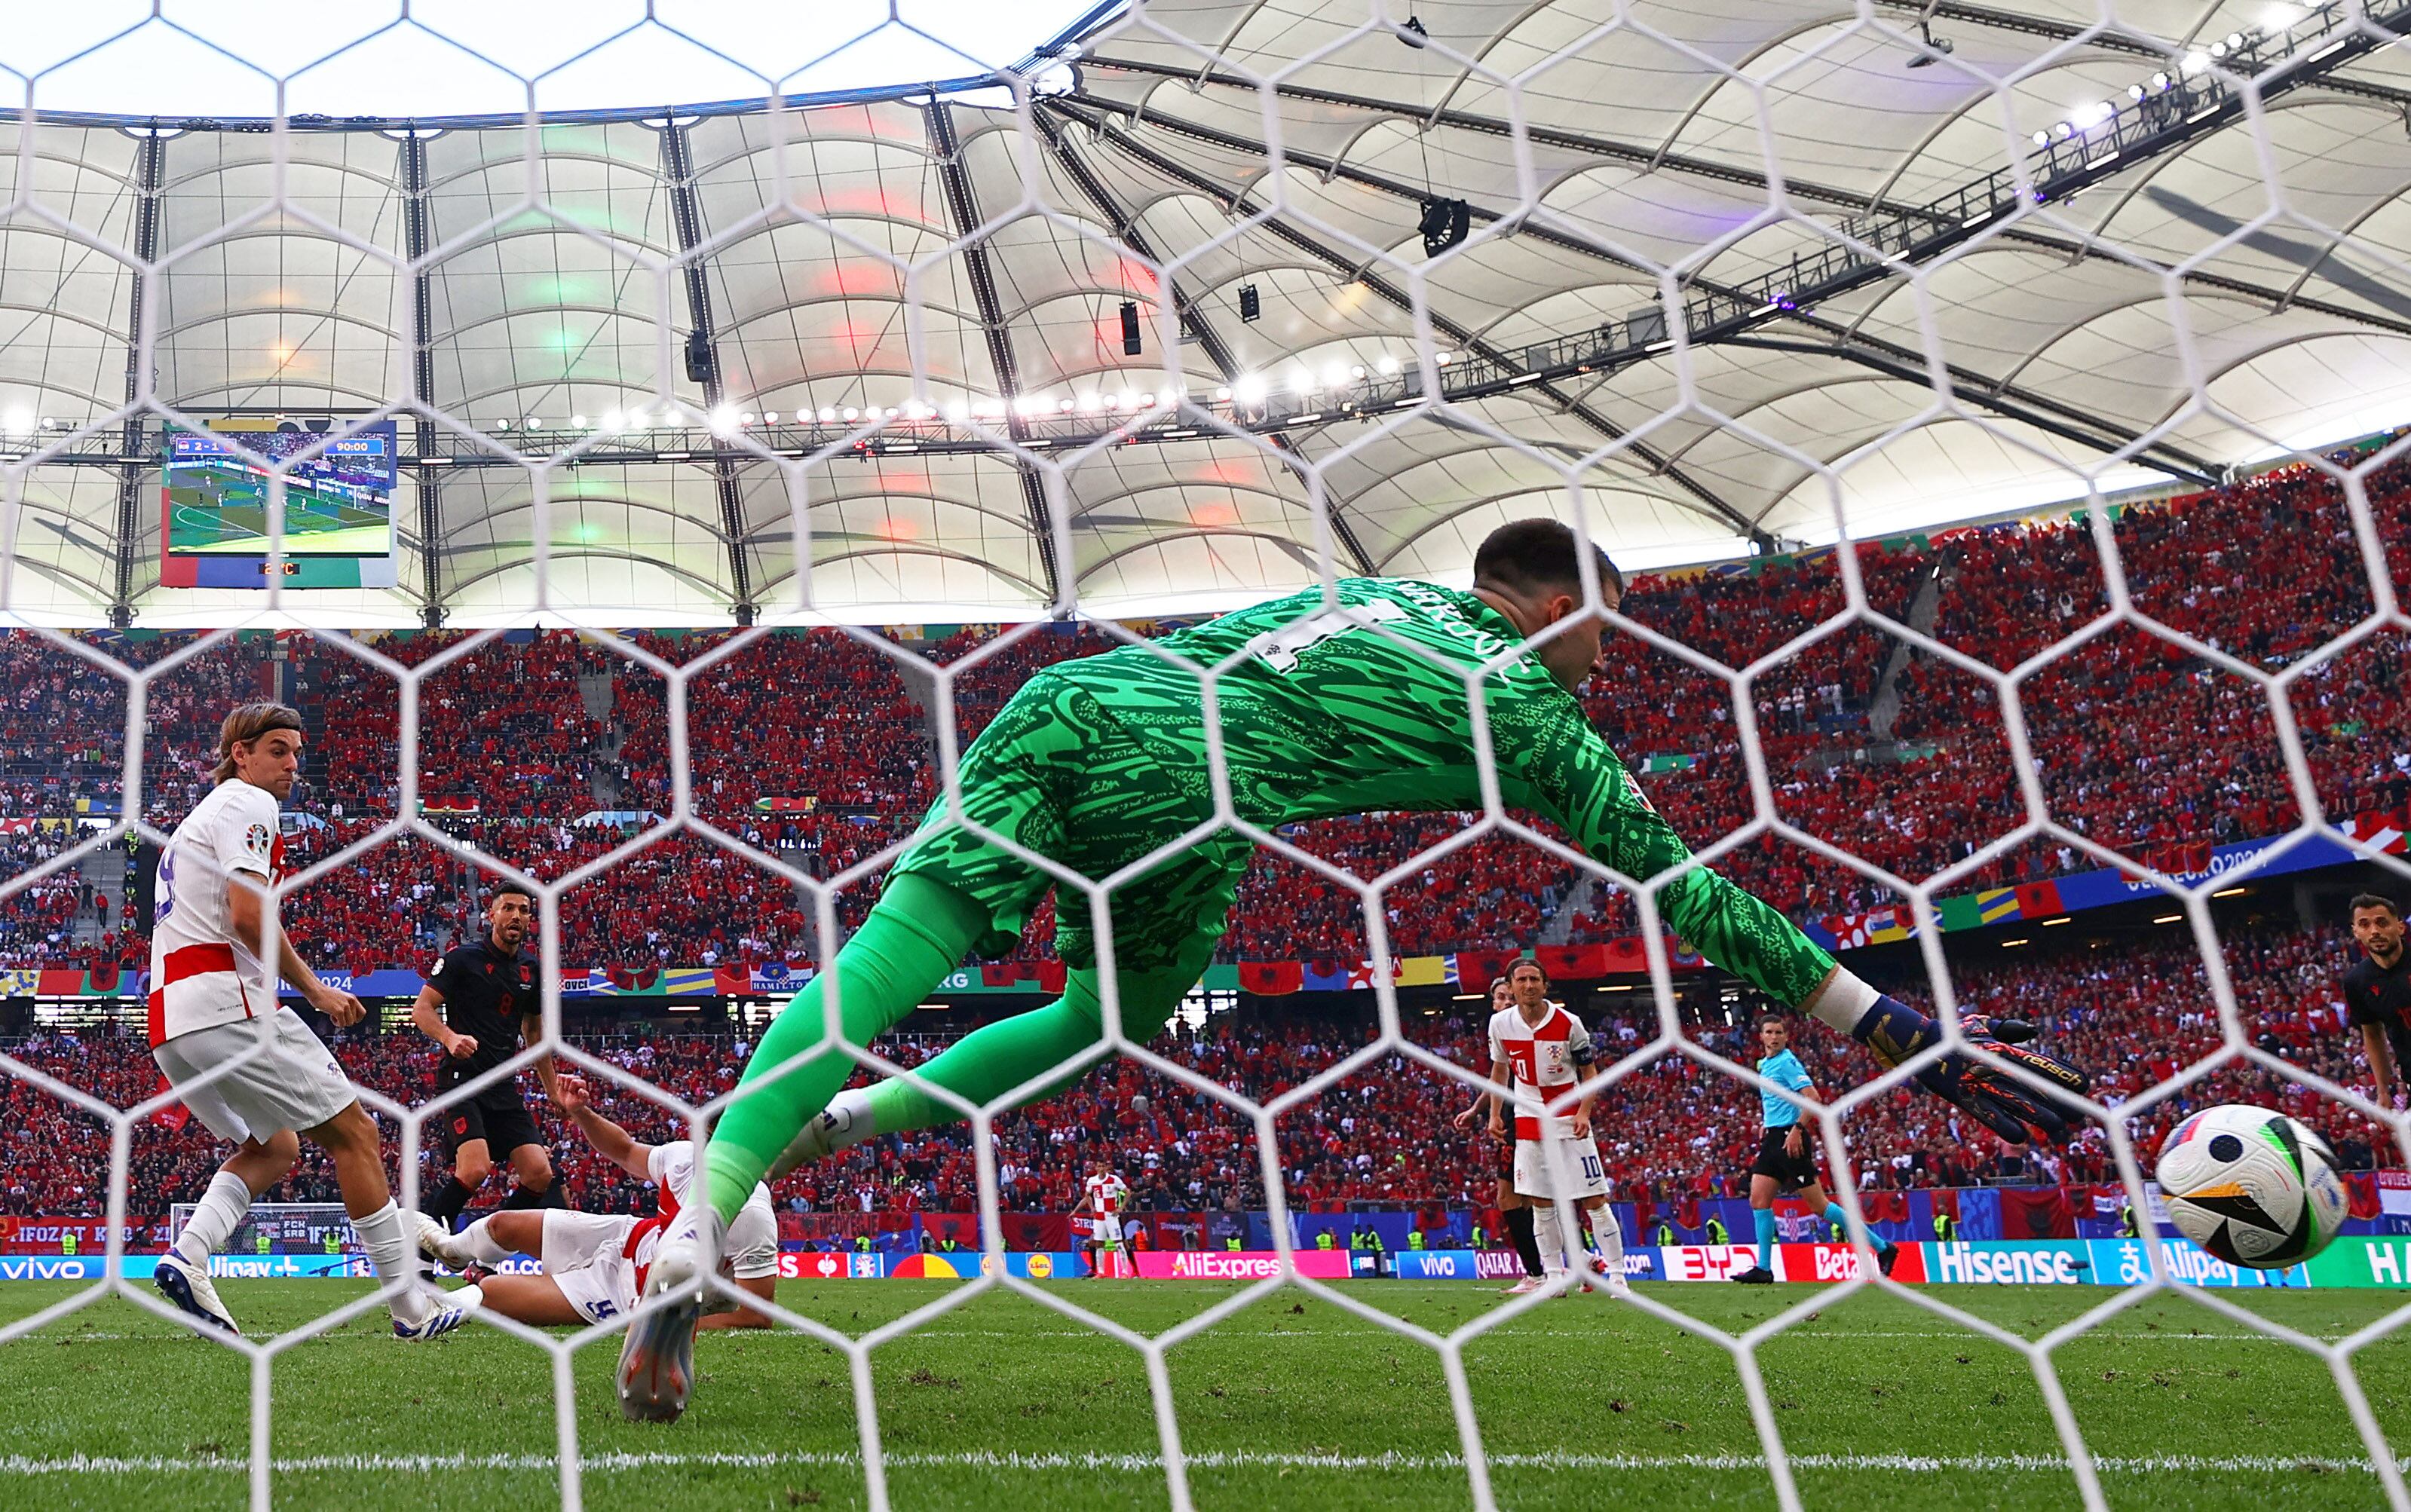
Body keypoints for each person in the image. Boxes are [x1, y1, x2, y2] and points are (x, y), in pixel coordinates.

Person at [617, 518, 2090, 1421]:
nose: (1608, 661)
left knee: (935, 963)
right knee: (1094, 1016)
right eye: (1605, 629)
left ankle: (737, 1181)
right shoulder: (1532, 706)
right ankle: (773, 1167)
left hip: (1088, 702)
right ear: (1553, 605)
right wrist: (1893, 1024)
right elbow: (1690, 891)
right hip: (1198, 797)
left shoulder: (1377, 590)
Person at [149, 702, 464, 1341]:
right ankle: (411, 1311)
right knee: (356, 1135)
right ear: (240, 754)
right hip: (228, 1003)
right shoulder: (246, 804)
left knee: (275, 1147)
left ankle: (190, 1255)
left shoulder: (198, 820)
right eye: (277, 750)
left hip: (173, 1022)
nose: (293, 763)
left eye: (296, 750)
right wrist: (316, 989)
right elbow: (246, 917)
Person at [412, 1078, 776, 1330]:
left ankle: (441, 1304)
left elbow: (755, 1315)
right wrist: (581, 1112)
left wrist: (663, 1325)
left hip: (629, 1295)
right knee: (501, 1225)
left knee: (492, 1294)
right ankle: (450, 1250)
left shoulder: (751, 1214)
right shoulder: (683, 1158)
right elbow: (625, 1150)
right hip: (628, 1237)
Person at [412, 884, 571, 1228]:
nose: (516, 916)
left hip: (501, 1085)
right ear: (492, 915)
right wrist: (449, 1037)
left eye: (524, 910)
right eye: (509, 908)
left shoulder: (531, 968)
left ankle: (487, 1251)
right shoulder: (462, 959)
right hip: (463, 1078)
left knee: (538, 1174)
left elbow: (535, 1035)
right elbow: (422, 1009)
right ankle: (420, 1256)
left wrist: (552, 1090)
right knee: (474, 1168)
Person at [1485, 960, 1627, 1296]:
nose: (1529, 985)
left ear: (1545, 985)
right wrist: (1494, 1114)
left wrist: (1584, 1113)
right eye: (1522, 980)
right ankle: (1552, 1277)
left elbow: (1590, 1072)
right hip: (1528, 1119)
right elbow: (1500, 1071)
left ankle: (1619, 1276)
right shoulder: (1500, 1024)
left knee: (1594, 1199)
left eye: (1535, 979)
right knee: (1541, 1203)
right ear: (1512, 985)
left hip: (1567, 1118)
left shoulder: (1569, 1023)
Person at [1731, 1017, 1898, 1285]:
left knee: (1820, 1207)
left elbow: (1813, 1098)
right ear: (1761, 1037)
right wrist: (1768, 1124)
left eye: (1778, 1033)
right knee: (1758, 1201)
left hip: (1790, 1139)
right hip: (1774, 1138)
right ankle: (1763, 1267)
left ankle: (1882, 1247)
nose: (1773, 1037)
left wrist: (1797, 1129)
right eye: (1769, 1032)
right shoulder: (1765, 1065)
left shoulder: (1787, 1062)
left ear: (1786, 1037)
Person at [1452, 975, 1554, 1293]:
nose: (1507, 1003)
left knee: (1511, 1197)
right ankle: (1563, 1264)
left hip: (1521, 1120)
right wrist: (1478, 1110)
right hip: (1516, 1118)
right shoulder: (1503, 1033)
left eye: (1511, 997)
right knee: (1530, 1198)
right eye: (1501, 998)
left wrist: (1493, 1115)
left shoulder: (1521, 1032)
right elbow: (1498, 1078)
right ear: (1493, 1002)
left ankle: (1541, 1273)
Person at [2342, 893, 2411, 1111]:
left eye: (2382, 922)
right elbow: (2372, 1033)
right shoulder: (2356, 981)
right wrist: (2383, 1091)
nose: (2374, 931)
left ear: (2400, 926)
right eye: (2365, 924)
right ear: (2356, 932)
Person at [1082, 1158, 1132, 1279]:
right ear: (1096, 1168)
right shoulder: (1092, 1181)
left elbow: (1128, 1192)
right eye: (1099, 1166)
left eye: (1103, 1166)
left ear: (1106, 1167)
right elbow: (1087, 1195)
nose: (1101, 1168)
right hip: (1099, 1217)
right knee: (1099, 1244)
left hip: (1111, 1216)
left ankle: (1125, 1272)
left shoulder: (1114, 1179)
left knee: (1119, 1243)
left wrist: (1120, 1208)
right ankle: (1101, 1272)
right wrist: (1092, 1208)